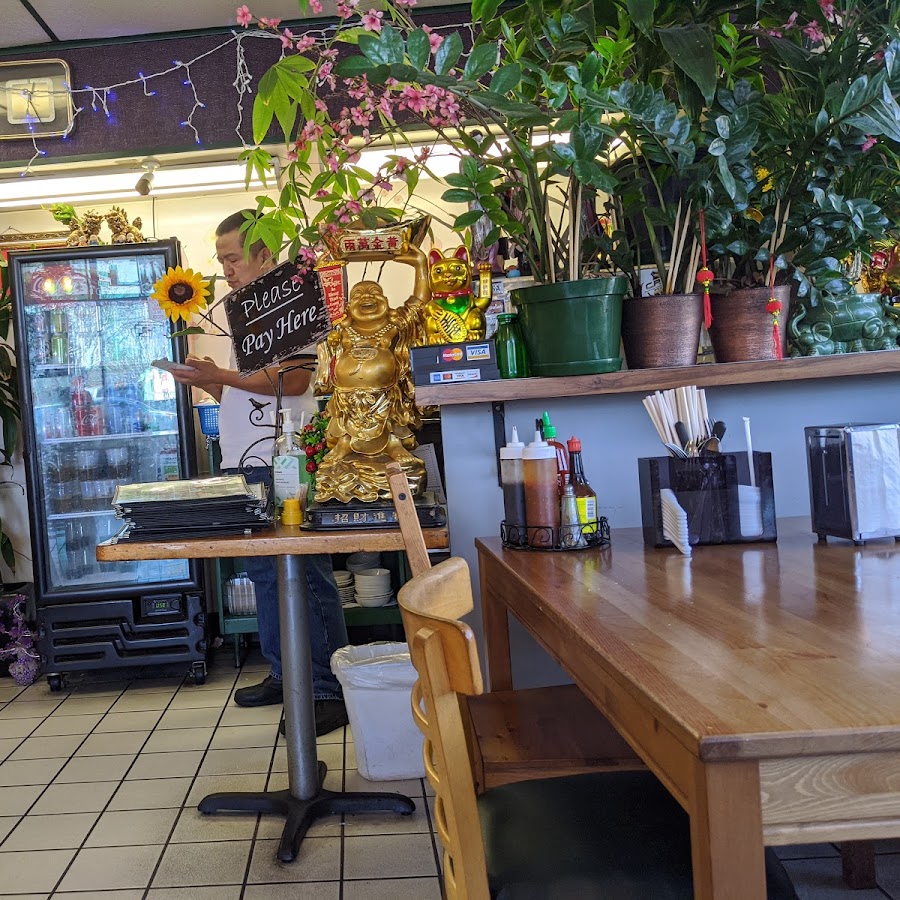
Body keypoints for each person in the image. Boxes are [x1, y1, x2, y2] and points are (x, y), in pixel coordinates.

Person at [172, 210, 348, 736]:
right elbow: (248, 397)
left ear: (264, 254)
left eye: (232, 258)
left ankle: (327, 688)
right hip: (245, 461)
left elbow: (294, 383)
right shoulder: (247, 317)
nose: (225, 270)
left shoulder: (291, 305)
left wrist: (222, 374)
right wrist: (208, 384)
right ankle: (284, 670)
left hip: (283, 460)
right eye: (221, 259)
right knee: (265, 573)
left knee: (305, 572)